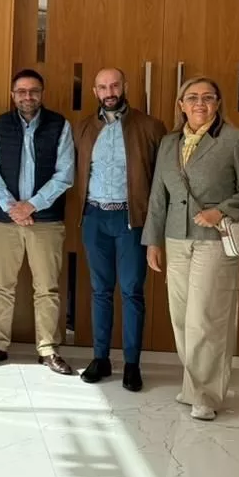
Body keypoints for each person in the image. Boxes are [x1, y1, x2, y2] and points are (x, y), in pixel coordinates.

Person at [144, 76, 239, 421]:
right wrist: (152, 240)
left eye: (208, 97)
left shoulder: (235, 140)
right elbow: (158, 196)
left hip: (214, 242)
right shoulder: (169, 143)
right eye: (192, 97)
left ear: (217, 104)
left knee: (207, 319)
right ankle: (193, 386)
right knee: (182, 318)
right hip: (176, 238)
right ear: (181, 105)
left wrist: (220, 211)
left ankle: (206, 395)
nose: (200, 103)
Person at [73, 67, 166, 392]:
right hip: (94, 218)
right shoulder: (83, 128)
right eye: (102, 87)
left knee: (132, 291)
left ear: (124, 86)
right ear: (95, 92)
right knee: (100, 291)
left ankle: (131, 364)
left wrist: (156, 228)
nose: (109, 92)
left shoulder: (150, 127)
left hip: (131, 220)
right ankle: (100, 358)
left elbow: (161, 181)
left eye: (114, 85)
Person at [0, 68, 76, 374]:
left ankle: (48, 349)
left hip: (46, 221)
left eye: (33, 91)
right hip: (4, 220)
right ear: (13, 95)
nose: (27, 96)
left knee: (47, 287)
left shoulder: (60, 125)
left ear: (41, 94)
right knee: (2, 285)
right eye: (21, 91)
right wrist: (12, 207)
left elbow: (65, 174)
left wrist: (31, 206)